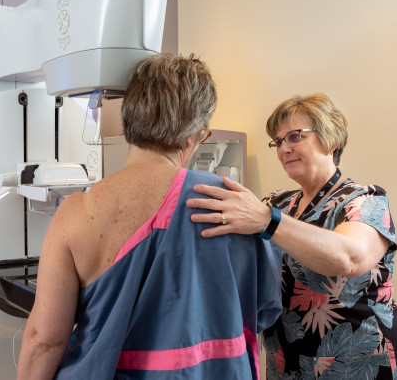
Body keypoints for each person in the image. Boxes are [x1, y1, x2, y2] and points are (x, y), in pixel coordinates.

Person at [17, 53, 282, 379]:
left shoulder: (77, 214)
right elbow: (263, 310)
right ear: (193, 135)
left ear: (130, 122)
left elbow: (44, 339)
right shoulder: (235, 206)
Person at [187, 93, 397, 380]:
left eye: (295, 136)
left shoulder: (364, 200)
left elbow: (350, 257)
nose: (284, 148)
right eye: (278, 141)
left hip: (361, 364)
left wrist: (266, 221)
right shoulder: (276, 203)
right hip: (289, 362)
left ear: (331, 140)